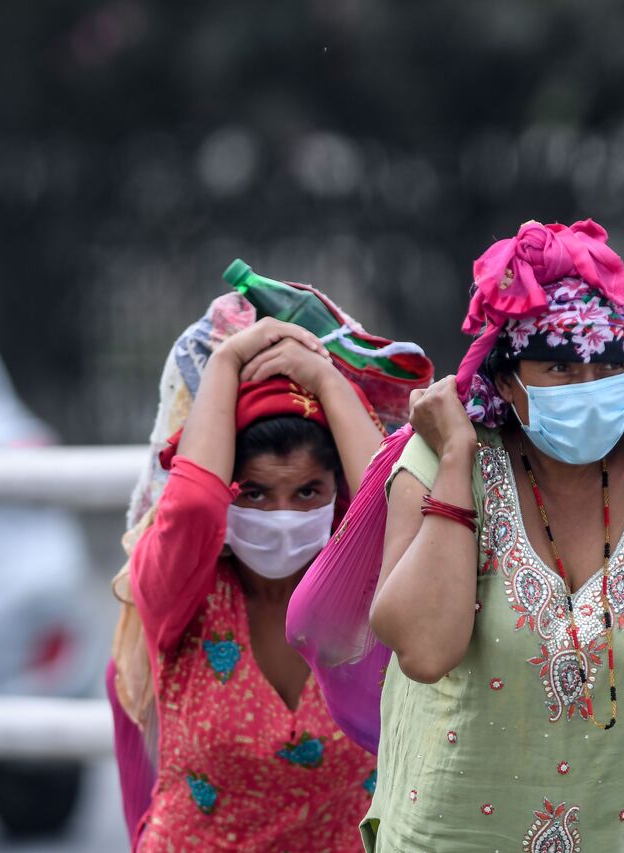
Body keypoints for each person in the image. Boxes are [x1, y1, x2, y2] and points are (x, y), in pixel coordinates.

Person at [319, 219, 624, 851]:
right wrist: (457, 463)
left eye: (611, 365)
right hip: (449, 836)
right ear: (506, 380)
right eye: (560, 367)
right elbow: (424, 650)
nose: (591, 389)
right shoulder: (442, 460)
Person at [127, 316, 384, 850]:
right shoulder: (180, 590)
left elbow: (393, 504)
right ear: (225, 488)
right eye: (255, 493)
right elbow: (192, 506)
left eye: (308, 492)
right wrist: (226, 363)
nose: (282, 516)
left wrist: (327, 380)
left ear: (336, 493)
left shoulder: (368, 589)